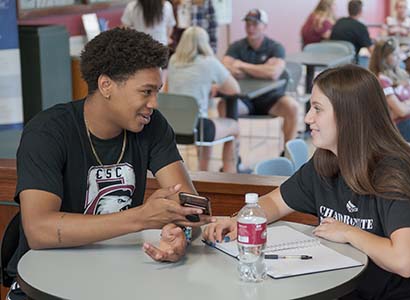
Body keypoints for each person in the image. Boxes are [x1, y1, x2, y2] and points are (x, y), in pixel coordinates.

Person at [204, 65, 410, 300]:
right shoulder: (326, 162)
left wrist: (349, 232)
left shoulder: (395, 173)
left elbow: (405, 261)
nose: (308, 118)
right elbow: (275, 201)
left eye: (317, 109)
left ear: (349, 116)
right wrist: (241, 221)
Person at [6, 28, 214, 300]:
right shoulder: (48, 132)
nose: (154, 103)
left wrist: (180, 236)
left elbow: (191, 208)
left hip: (118, 279)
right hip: (44, 284)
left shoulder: (153, 126)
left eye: (157, 91)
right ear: (106, 86)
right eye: (146, 91)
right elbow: (39, 230)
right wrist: (141, 218)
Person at [221, 9, 298, 149]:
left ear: (264, 26)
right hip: (244, 100)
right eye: (248, 24)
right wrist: (262, 69)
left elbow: (273, 73)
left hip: (271, 99)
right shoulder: (236, 46)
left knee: (292, 107)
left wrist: (242, 65)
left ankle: (287, 153)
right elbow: (225, 67)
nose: (251, 28)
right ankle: (233, 156)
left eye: (255, 24)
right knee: (223, 105)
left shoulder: (275, 47)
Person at [167, 26, 241, 173]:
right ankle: (230, 174)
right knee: (234, 128)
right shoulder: (209, 62)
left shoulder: (173, 61)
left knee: (204, 126)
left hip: (172, 125)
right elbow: (234, 89)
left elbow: (167, 90)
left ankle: (203, 172)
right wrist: (216, 87)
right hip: (197, 127)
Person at [330, 0, 373, 64]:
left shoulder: (339, 22)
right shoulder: (360, 27)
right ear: (360, 11)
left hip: (333, 61)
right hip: (350, 65)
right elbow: (371, 50)